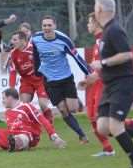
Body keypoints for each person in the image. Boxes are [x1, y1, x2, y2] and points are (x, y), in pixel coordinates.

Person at [89, 0, 133, 168]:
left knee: (115, 125)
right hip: (110, 86)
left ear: (100, 9)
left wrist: (103, 63)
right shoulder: (107, 31)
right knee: (103, 127)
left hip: (122, 84)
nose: (94, 10)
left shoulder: (114, 30)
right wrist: (93, 77)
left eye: (95, 6)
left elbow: (127, 55)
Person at [31, 15, 90, 143]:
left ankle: (76, 101)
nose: (46, 28)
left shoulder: (64, 40)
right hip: (50, 80)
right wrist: (36, 70)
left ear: (55, 26)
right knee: (63, 110)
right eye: (44, 25)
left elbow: (77, 57)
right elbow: (35, 54)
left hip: (66, 78)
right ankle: (82, 135)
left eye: (49, 25)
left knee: (73, 109)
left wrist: (89, 72)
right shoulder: (35, 39)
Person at [0, 88, 66, 151]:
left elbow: (43, 120)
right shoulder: (7, 112)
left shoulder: (26, 107)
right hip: (11, 136)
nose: (2, 101)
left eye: (3, 98)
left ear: (10, 98)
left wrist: (54, 136)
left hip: (28, 137)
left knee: (22, 137)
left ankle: (14, 144)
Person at [77, 13, 115, 157]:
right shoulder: (97, 42)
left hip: (104, 84)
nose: (88, 25)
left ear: (97, 24)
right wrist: (88, 81)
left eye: (89, 22)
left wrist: (91, 78)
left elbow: (105, 66)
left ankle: (132, 124)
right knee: (92, 117)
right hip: (95, 84)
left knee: (102, 119)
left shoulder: (103, 41)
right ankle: (108, 149)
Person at [9, 31, 54, 123]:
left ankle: (49, 122)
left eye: (15, 40)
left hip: (40, 80)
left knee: (43, 104)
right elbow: (13, 71)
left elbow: (47, 62)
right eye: (12, 39)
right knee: (24, 105)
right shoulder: (13, 54)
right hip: (26, 81)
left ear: (23, 41)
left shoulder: (34, 49)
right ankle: (31, 124)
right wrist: (12, 87)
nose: (12, 42)